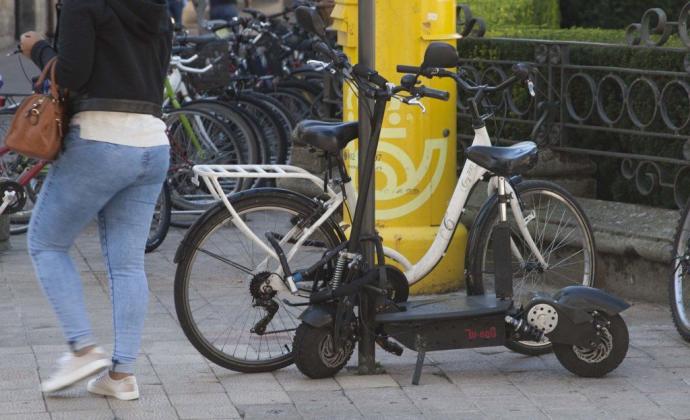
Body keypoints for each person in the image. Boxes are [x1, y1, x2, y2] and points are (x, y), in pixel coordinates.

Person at [19, 0, 172, 401]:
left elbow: (73, 72)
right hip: (153, 142)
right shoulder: (158, 8)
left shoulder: (82, 3)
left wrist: (36, 48)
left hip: (101, 139)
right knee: (127, 264)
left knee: (46, 242)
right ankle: (121, 376)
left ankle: (82, 349)